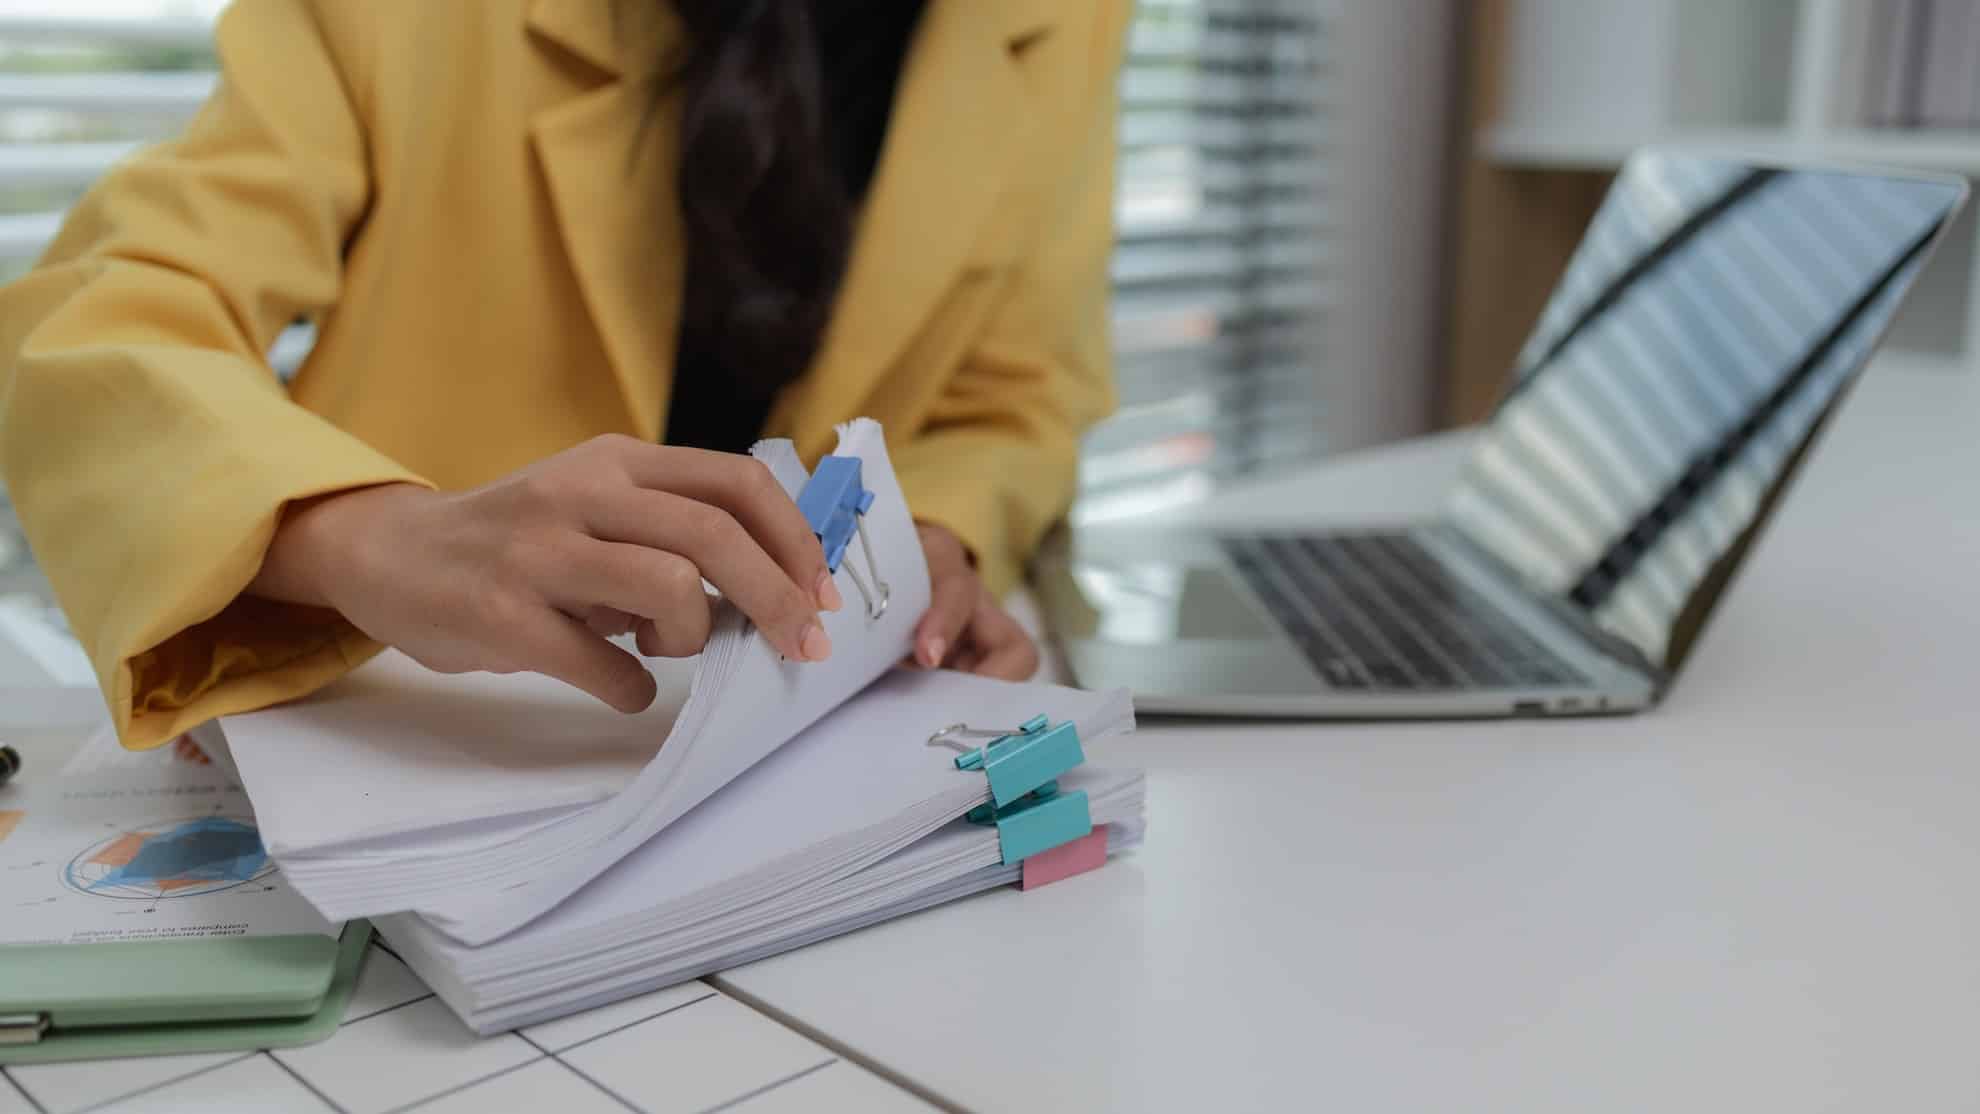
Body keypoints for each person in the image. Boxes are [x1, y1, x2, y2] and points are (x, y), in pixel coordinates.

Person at [0, 0, 1128, 748]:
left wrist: (933, 536)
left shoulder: (1062, 19)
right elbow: (96, 321)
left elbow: (1020, 387)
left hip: (789, 746)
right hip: (427, 739)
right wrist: (357, 528)